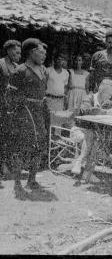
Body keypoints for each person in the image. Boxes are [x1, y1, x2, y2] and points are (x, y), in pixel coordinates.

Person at [8, 38, 48, 199]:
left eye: (45, 53)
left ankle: (31, 179)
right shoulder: (20, 71)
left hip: (40, 111)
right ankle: (17, 183)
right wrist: (21, 106)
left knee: (40, 144)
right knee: (22, 146)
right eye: (41, 52)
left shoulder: (44, 70)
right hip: (24, 113)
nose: (44, 55)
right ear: (31, 52)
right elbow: (10, 95)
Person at [0, 40, 21, 181]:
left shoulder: (17, 67)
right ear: (8, 50)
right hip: (1, 104)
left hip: (12, 106)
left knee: (9, 136)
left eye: (20, 53)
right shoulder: (0, 64)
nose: (18, 55)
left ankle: (6, 165)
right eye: (16, 52)